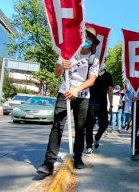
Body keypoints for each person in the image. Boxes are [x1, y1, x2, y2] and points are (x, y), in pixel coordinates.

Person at [37, 26, 100, 175]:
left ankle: (78, 157)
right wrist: (60, 65)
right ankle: (49, 162)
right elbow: (57, 73)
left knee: (80, 128)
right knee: (57, 126)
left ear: (93, 42)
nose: (87, 39)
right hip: (64, 93)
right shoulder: (67, 53)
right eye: (85, 36)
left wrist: (76, 90)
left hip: (82, 96)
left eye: (90, 38)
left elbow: (91, 80)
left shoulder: (93, 60)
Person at [84, 63, 114, 155]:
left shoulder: (108, 75)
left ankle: (97, 137)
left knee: (104, 124)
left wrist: (111, 105)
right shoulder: (91, 73)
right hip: (91, 101)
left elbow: (110, 90)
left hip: (102, 103)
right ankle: (89, 146)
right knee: (89, 125)